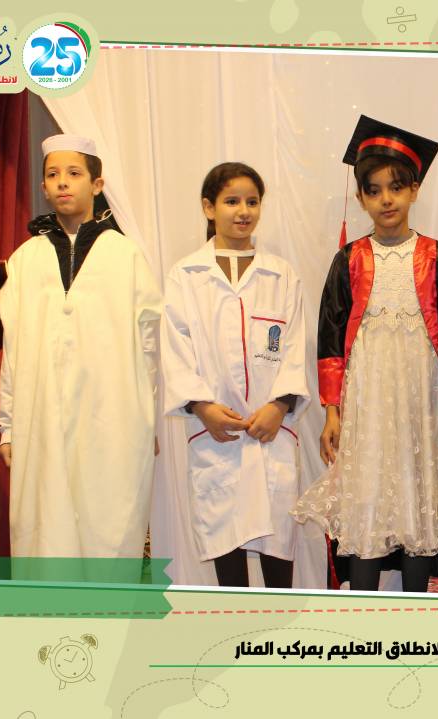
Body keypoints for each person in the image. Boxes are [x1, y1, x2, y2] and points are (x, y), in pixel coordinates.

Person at [292, 116, 438, 593]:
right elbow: (331, 339)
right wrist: (333, 410)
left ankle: (413, 608)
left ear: (414, 190)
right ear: (361, 199)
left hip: (423, 399)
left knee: (419, 496)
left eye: (396, 188)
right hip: (368, 402)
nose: (387, 200)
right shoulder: (350, 259)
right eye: (374, 191)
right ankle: (363, 607)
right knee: (368, 496)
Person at [0, 134, 162, 559]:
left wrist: (148, 420)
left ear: (97, 184)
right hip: (40, 417)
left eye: (74, 173)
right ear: (43, 187)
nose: (63, 182)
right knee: (43, 530)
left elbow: (148, 347)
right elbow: (12, 351)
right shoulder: (25, 258)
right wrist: (8, 426)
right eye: (53, 175)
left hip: (112, 416)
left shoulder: (126, 255)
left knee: (108, 525)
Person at [161, 162, 308, 588]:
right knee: (226, 539)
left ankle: (279, 627)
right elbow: (176, 346)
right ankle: (235, 624)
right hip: (216, 432)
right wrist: (202, 406)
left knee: (277, 539)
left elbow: (294, 344)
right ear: (209, 207)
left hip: (271, 430)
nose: (243, 211)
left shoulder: (281, 274)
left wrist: (280, 405)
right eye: (231, 201)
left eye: (252, 201)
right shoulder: (186, 275)